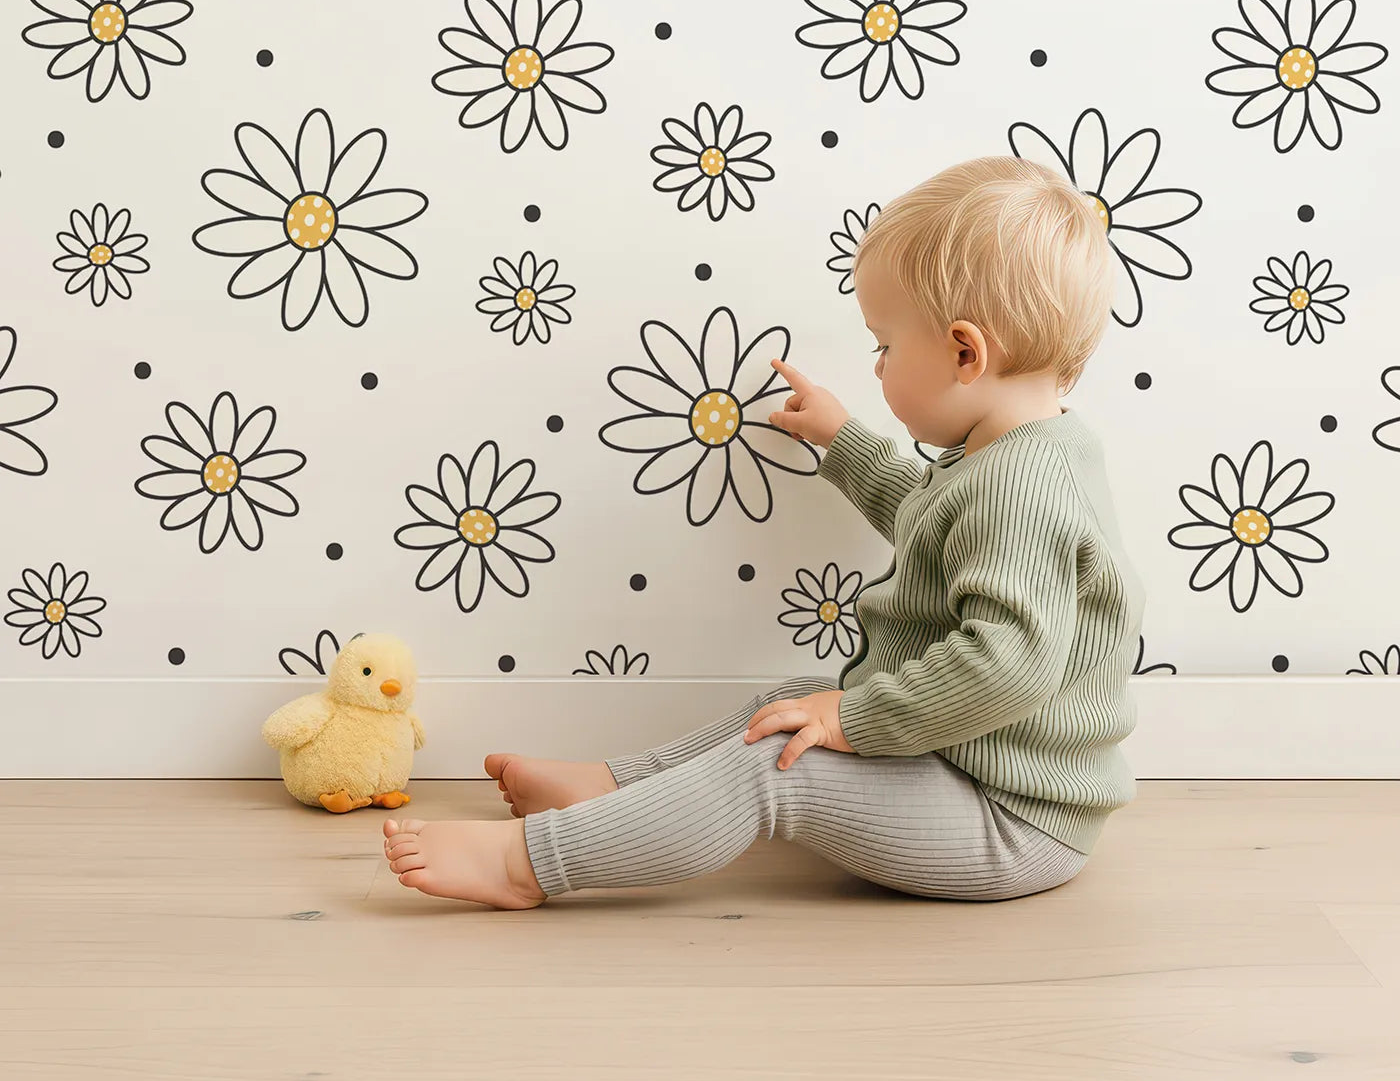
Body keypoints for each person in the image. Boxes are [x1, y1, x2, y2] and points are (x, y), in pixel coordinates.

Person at [382, 155, 1147, 909]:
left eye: (884, 344)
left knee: (784, 760)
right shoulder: (1018, 453)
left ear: (964, 351)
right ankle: (611, 791)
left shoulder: (1020, 484)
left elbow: (1007, 667)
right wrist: (844, 441)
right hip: (973, 770)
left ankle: (529, 866)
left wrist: (853, 717)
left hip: (1008, 817)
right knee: (792, 700)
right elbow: (933, 527)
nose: (877, 365)